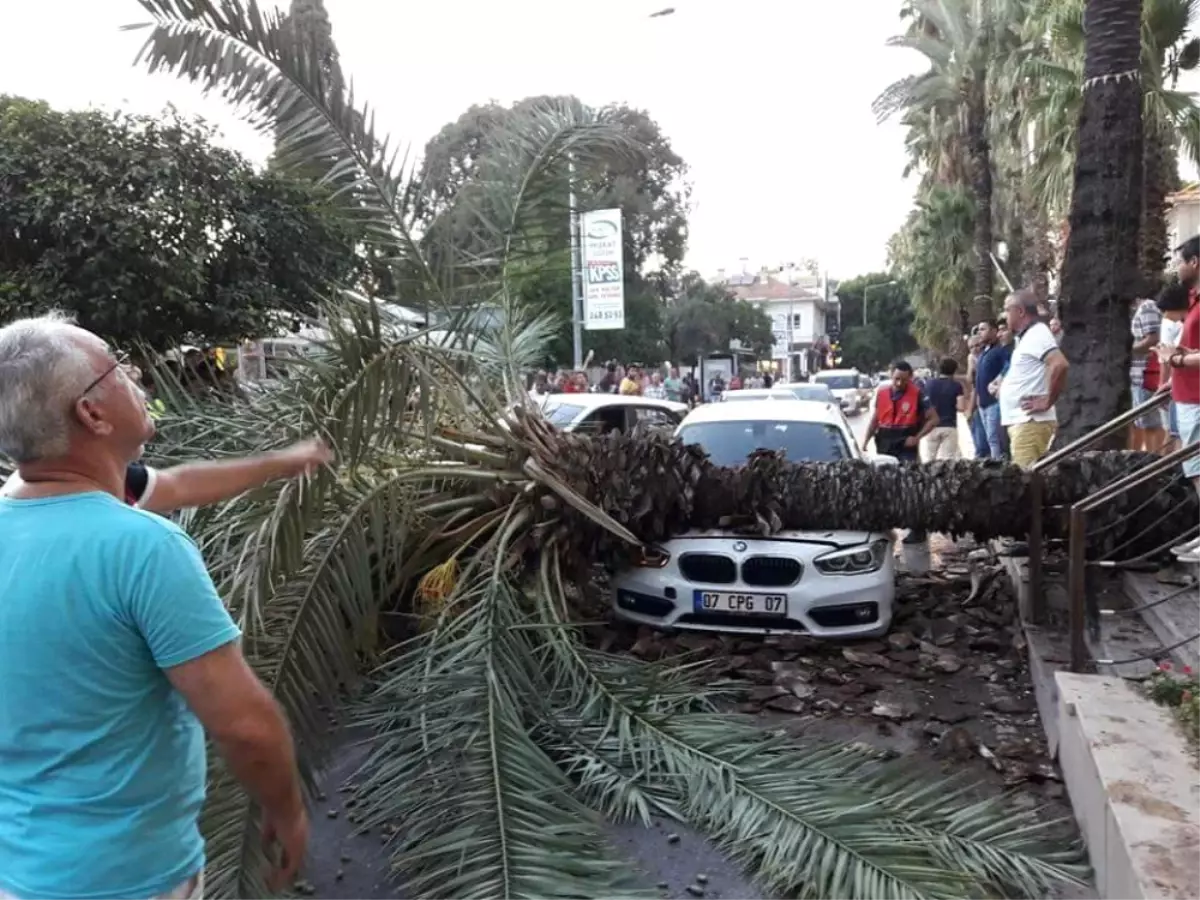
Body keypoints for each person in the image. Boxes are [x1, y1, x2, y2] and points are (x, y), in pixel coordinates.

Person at [0, 315, 311, 899]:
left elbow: (184, 483)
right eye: (117, 366)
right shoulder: (143, 549)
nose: (137, 373)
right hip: (128, 881)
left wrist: (284, 462)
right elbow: (244, 725)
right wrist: (287, 808)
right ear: (91, 415)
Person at [1156, 237, 1200, 559]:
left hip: (1197, 398)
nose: (1178, 267)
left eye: (1181, 260)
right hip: (1186, 395)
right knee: (1193, 468)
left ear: (1195, 262)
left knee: (1198, 468)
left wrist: (1177, 360)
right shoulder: (1194, 300)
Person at [862, 360, 938, 543]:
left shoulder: (918, 394)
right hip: (884, 444)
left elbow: (934, 419)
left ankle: (917, 529)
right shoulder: (881, 393)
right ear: (890, 375)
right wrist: (865, 440)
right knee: (883, 487)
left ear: (910, 378)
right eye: (896, 379)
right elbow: (875, 419)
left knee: (910, 487)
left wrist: (917, 437)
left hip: (906, 445)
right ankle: (884, 526)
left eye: (903, 380)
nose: (899, 384)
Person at [998, 289, 1069, 468]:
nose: (1004, 315)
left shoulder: (1038, 334)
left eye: (1007, 310)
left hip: (1030, 423)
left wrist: (1047, 401)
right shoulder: (1027, 337)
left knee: (1027, 481)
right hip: (1024, 423)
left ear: (1020, 311)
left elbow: (1059, 364)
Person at [1130, 293, 1166, 452]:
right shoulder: (1137, 308)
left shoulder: (1147, 307)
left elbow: (1153, 338)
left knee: (1151, 424)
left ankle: (1154, 461)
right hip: (1137, 375)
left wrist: (1127, 351)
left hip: (1146, 374)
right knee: (1140, 423)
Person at [970, 319, 1010, 459]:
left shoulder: (1000, 351)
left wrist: (998, 380)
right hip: (983, 404)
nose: (979, 332)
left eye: (983, 329)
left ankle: (998, 465)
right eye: (979, 329)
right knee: (989, 438)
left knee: (995, 438)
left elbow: (1008, 366)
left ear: (994, 331)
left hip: (994, 402)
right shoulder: (982, 353)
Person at [1157, 282, 1189, 454]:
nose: (1166, 316)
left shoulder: (1179, 324)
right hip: (1177, 384)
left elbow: (1166, 359)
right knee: (1175, 432)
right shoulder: (1177, 323)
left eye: (1168, 311)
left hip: (1185, 386)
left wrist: (1162, 381)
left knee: (1175, 434)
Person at [921, 357, 965, 461]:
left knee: (929, 459)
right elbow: (961, 407)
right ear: (954, 370)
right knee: (948, 461)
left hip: (931, 427)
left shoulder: (929, 384)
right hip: (949, 426)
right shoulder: (957, 386)